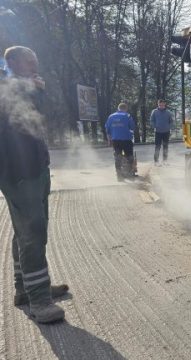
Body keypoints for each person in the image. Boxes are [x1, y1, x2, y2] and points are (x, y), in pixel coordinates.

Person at [0, 46, 68, 324]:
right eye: (29, 62)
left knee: (27, 231)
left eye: (36, 61)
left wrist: (37, 90)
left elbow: (39, 118)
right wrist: (30, 87)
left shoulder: (27, 87)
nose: (35, 66)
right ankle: (40, 300)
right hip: (18, 170)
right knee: (32, 232)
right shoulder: (7, 87)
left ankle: (25, 289)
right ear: (12, 62)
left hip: (36, 167)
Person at [105, 103, 136, 181]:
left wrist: (109, 140)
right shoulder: (127, 116)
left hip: (115, 140)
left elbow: (107, 130)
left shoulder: (111, 116)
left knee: (117, 157)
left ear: (118, 108)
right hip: (126, 140)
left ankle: (119, 176)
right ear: (126, 108)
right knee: (129, 156)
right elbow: (132, 127)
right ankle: (129, 174)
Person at [150, 99, 173, 166]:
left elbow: (171, 121)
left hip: (166, 132)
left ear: (165, 104)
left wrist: (169, 127)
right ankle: (156, 161)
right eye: (160, 105)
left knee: (165, 146)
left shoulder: (168, 112)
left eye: (162, 105)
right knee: (157, 146)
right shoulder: (154, 111)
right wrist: (155, 126)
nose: (161, 106)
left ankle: (165, 161)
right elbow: (152, 120)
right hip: (158, 132)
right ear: (158, 104)